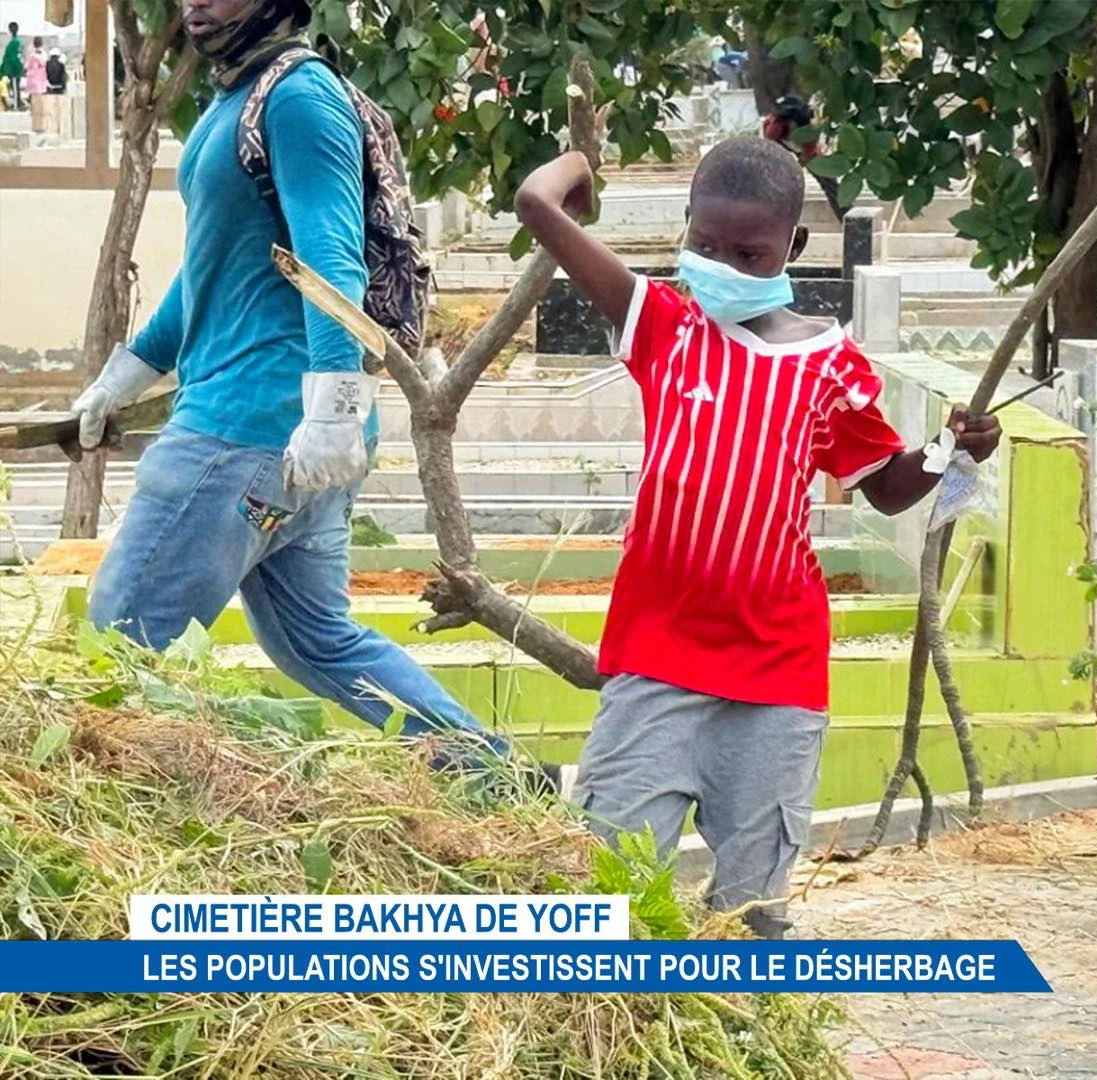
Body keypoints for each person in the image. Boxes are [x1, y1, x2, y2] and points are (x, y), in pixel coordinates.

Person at [514, 136, 1001, 937]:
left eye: (749, 252)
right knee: (606, 892)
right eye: (704, 245)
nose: (722, 266)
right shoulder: (662, 324)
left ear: (792, 249)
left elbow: (885, 489)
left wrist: (953, 449)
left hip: (776, 668)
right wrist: (583, 165)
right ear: (685, 230)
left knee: (753, 912)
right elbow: (537, 204)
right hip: (654, 657)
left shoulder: (832, 365)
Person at [70, 0, 552, 793]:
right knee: (322, 642)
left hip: (247, 438)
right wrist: (129, 370)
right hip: (286, 456)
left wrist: (330, 410)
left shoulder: (296, 98)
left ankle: (130, 826)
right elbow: (209, 273)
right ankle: (502, 780)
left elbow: (331, 261)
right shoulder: (238, 98)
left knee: (125, 637)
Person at [761, 94, 844, 222]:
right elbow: (769, 147)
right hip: (780, 146)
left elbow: (809, 153)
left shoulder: (808, 126)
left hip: (807, 150)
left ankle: (846, 215)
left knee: (829, 183)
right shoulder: (773, 126)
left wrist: (804, 159)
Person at [1, 24, 24, 111]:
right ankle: (18, 103)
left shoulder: (13, 43)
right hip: (16, 69)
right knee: (15, 87)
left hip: (13, 71)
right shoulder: (17, 42)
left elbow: (10, 58)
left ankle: (16, 105)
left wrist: (6, 70)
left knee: (14, 87)